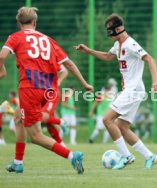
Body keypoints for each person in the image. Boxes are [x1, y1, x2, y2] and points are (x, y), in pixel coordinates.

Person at [0, 7, 93, 174]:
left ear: (18, 23)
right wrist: (84, 83)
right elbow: (69, 64)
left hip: (30, 88)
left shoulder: (15, 37)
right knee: (18, 118)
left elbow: (1, 56)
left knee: (35, 136)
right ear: (35, 22)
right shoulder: (49, 40)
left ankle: (72, 155)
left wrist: (2, 70)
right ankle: (17, 162)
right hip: (49, 90)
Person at [75, 13, 157, 169]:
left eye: (110, 31)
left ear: (119, 29)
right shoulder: (118, 45)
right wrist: (88, 51)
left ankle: (126, 156)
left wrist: (155, 82)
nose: (109, 35)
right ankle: (150, 156)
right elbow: (108, 56)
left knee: (107, 119)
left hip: (132, 90)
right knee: (122, 127)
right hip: (132, 90)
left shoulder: (130, 44)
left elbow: (150, 59)